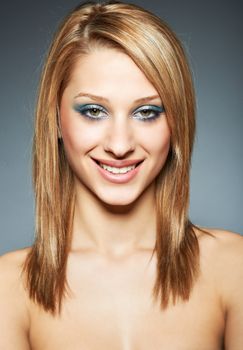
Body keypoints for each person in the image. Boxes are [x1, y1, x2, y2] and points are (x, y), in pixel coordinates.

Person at [0, 1, 242, 349]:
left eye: (146, 112)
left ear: (177, 122)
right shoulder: (9, 289)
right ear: (55, 117)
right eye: (94, 110)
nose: (119, 144)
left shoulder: (234, 268)